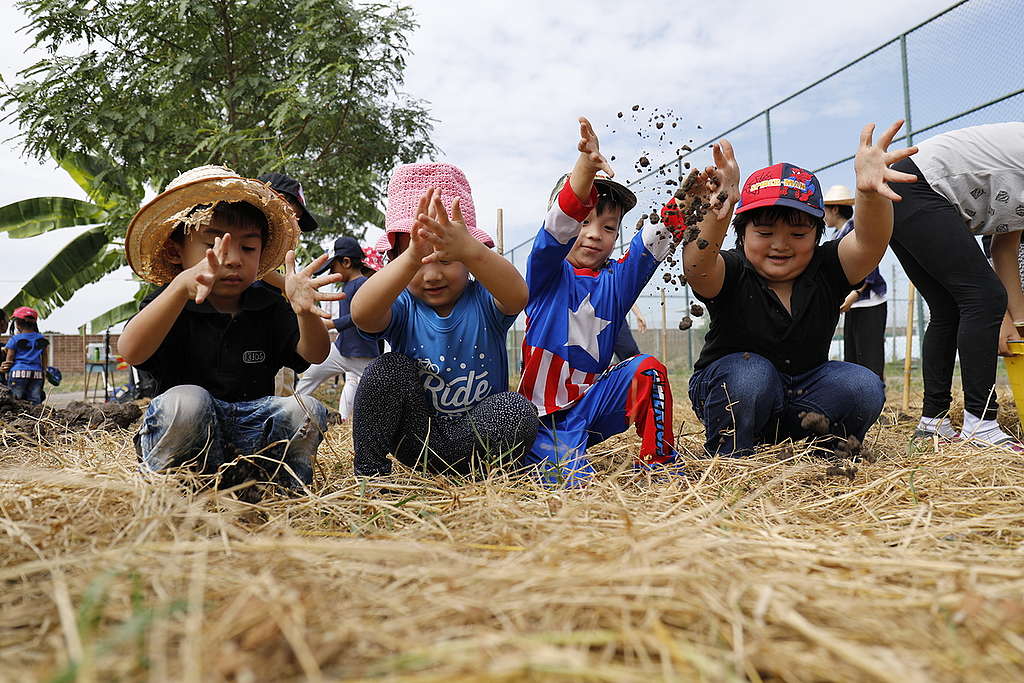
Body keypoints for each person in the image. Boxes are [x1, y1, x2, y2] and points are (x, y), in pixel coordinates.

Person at [680, 121, 916, 459]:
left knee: (863, 385)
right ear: (742, 235)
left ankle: (822, 450)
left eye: (797, 233)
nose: (780, 245)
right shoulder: (732, 269)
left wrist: (867, 194)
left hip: (802, 394)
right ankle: (732, 453)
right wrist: (718, 212)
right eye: (764, 232)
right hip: (732, 386)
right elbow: (697, 268)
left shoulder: (827, 267)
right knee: (751, 374)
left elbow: (869, 242)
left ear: (817, 235)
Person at [117, 165, 343, 492]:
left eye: (248, 248)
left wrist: (305, 313)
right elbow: (131, 350)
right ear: (175, 251)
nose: (234, 259)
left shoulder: (267, 303)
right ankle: (177, 487)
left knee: (305, 408)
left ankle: (272, 487)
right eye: (214, 245)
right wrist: (180, 287)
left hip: (251, 431)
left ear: (262, 254)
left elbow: (315, 353)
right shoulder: (168, 302)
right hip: (191, 436)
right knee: (187, 401)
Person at [519, 117, 685, 487]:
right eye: (585, 222)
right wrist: (585, 168)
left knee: (648, 368)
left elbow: (652, 243)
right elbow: (557, 228)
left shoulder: (615, 282)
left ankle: (659, 465)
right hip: (542, 418)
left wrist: (695, 197)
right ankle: (556, 455)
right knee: (575, 486)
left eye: (609, 228)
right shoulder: (545, 272)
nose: (595, 235)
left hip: (592, 405)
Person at [350, 163, 538, 477]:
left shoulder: (484, 301)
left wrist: (470, 250)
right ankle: (370, 471)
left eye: (447, 258)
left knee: (517, 410)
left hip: (478, 441)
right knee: (384, 371)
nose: (433, 274)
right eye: (418, 261)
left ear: (469, 257)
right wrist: (410, 258)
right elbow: (362, 315)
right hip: (417, 441)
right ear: (396, 263)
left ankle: (480, 475)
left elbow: (518, 295)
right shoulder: (403, 306)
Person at [886, 122, 1024, 447]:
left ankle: (933, 423)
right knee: (983, 298)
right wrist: (999, 313)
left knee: (948, 308)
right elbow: (988, 291)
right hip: (918, 188)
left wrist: (1018, 323)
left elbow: (1003, 249)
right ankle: (981, 426)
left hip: (908, 192)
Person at [294, 236, 381, 421]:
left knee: (379, 391)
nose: (331, 271)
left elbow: (361, 315)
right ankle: (294, 411)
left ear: (346, 262)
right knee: (310, 375)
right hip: (342, 349)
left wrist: (333, 324)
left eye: (334, 266)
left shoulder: (363, 284)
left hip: (362, 352)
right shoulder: (348, 285)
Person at [824, 184, 888, 383]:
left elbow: (868, 265)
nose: (823, 215)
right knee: (853, 356)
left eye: (825, 209)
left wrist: (854, 294)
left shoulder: (855, 230)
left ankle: (877, 402)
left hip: (868, 302)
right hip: (854, 304)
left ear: (834, 209)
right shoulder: (838, 234)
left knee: (869, 356)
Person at [3, 307, 48, 404]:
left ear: (18, 324)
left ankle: (18, 417)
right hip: (36, 374)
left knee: (16, 400)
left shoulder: (15, 339)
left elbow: (9, 358)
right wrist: (44, 370)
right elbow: (44, 357)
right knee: (35, 399)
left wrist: (6, 371)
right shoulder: (41, 339)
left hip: (18, 372)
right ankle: (34, 416)